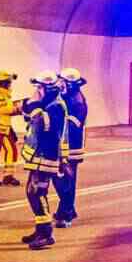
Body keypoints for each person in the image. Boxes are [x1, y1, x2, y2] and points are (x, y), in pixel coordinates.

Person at [20, 71, 68, 250]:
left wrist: (34, 105)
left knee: (37, 192)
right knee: (32, 191)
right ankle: (40, 228)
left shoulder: (56, 106)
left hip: (46, 156)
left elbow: (41, 123)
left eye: (39, 87)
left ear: (47, 89)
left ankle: (46, 233)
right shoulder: (48, 102)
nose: (37, 91)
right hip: (38, 155)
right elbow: (30, 116)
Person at [52, 68, 88, 228]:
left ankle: (66, 213)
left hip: (71, 147)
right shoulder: (69, 97)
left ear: (71, 84)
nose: (60, 84)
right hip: (67, 146)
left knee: (65, 180)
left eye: (63, 81)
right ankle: (66, 210)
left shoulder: (77, 101)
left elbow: (72, 126)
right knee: (64, 180)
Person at [0, 71, 21, 187]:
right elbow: (1, 109)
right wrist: (17, 109)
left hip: (4, 127)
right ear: (5, 82)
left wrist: (15, 109)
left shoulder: (4, 94)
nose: (10, 84)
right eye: (9, 82)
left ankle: (8, 176)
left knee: (12, 150)